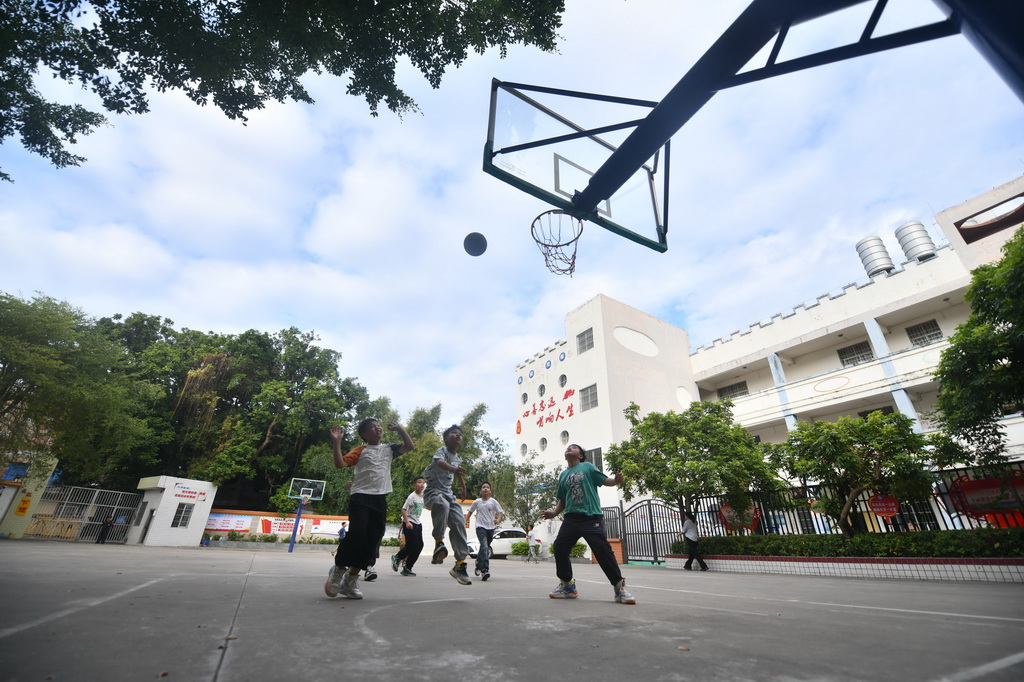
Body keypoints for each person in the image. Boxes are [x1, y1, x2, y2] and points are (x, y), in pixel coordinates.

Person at [324, 419, 414, 600]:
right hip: (360, 496)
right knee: (357, 534)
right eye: (373, 427)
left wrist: (399, 428)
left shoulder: (389, 448)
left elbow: (409, 446)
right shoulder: (360, 450)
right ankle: (338, 570)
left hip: (380, 499)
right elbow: (340, 464)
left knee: (372, 539)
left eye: (378, 425)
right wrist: (337, 442)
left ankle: (350, 580)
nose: (378, 427)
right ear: (365, 434)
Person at [541, 444, 635, 604]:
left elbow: (605, 481)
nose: (569, 449)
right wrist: (554, 513)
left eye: (573, 447)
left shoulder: (588, 467)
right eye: (567, 448)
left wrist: (615, 481)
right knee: (560, 547)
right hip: (571, 518)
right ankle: (567, 586)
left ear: (580, 456)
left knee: (602, 550)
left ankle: (619, 588)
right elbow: (563, 499)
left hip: (591, 517)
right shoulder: (563, 475)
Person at [423, 424, 473, 585]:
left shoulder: (458, 458)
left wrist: (464, 489)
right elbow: (439, 463)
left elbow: (457, 474)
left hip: (449, 494)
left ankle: (459, 565)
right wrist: (452, 468)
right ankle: (439, 543)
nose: (458, 435)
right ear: (446, 438)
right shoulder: (442, 451)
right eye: (454, 433)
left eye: (460, 434)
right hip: (433, 491)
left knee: (459, 522)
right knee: (441, 504)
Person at [465, 482, 503, 581]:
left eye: (487, 487)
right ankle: (485, 570)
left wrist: (498, 520)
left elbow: (500, 513)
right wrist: (466, 521)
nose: (485, 489)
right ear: (481, 491)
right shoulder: (477, 502)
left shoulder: (493, 502)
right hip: (480, 527)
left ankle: (478, 562)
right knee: (485, 546)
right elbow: (470, 512)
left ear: (490, 491)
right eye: (483, 487)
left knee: (484, 548)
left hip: (491, 528)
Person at [392, 476, 426, 576]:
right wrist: (407, 522)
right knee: (413, 544)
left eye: (423, 482)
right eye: (419, 482)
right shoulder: (412, 496)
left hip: (418, 523)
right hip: (410, 523)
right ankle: (397, 557)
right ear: (414, 485)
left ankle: (408, 567)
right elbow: (403, 509)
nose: (422, 484)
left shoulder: (423, 497)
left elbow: (426, 506)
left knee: (420, 545)